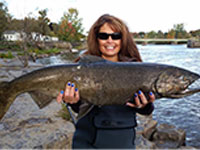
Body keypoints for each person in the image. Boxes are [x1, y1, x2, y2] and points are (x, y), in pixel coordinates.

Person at [56, 14, 155, 149]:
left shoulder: (136, 66)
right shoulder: (82, 65)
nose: (110, 40)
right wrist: (73, 102)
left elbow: (146, 109)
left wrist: (144, 106)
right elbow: (80, 108)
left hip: (121, 140)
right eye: (104, 36)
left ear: (123, 39)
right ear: (96, 39)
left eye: (115, 36)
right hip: (86, 139)